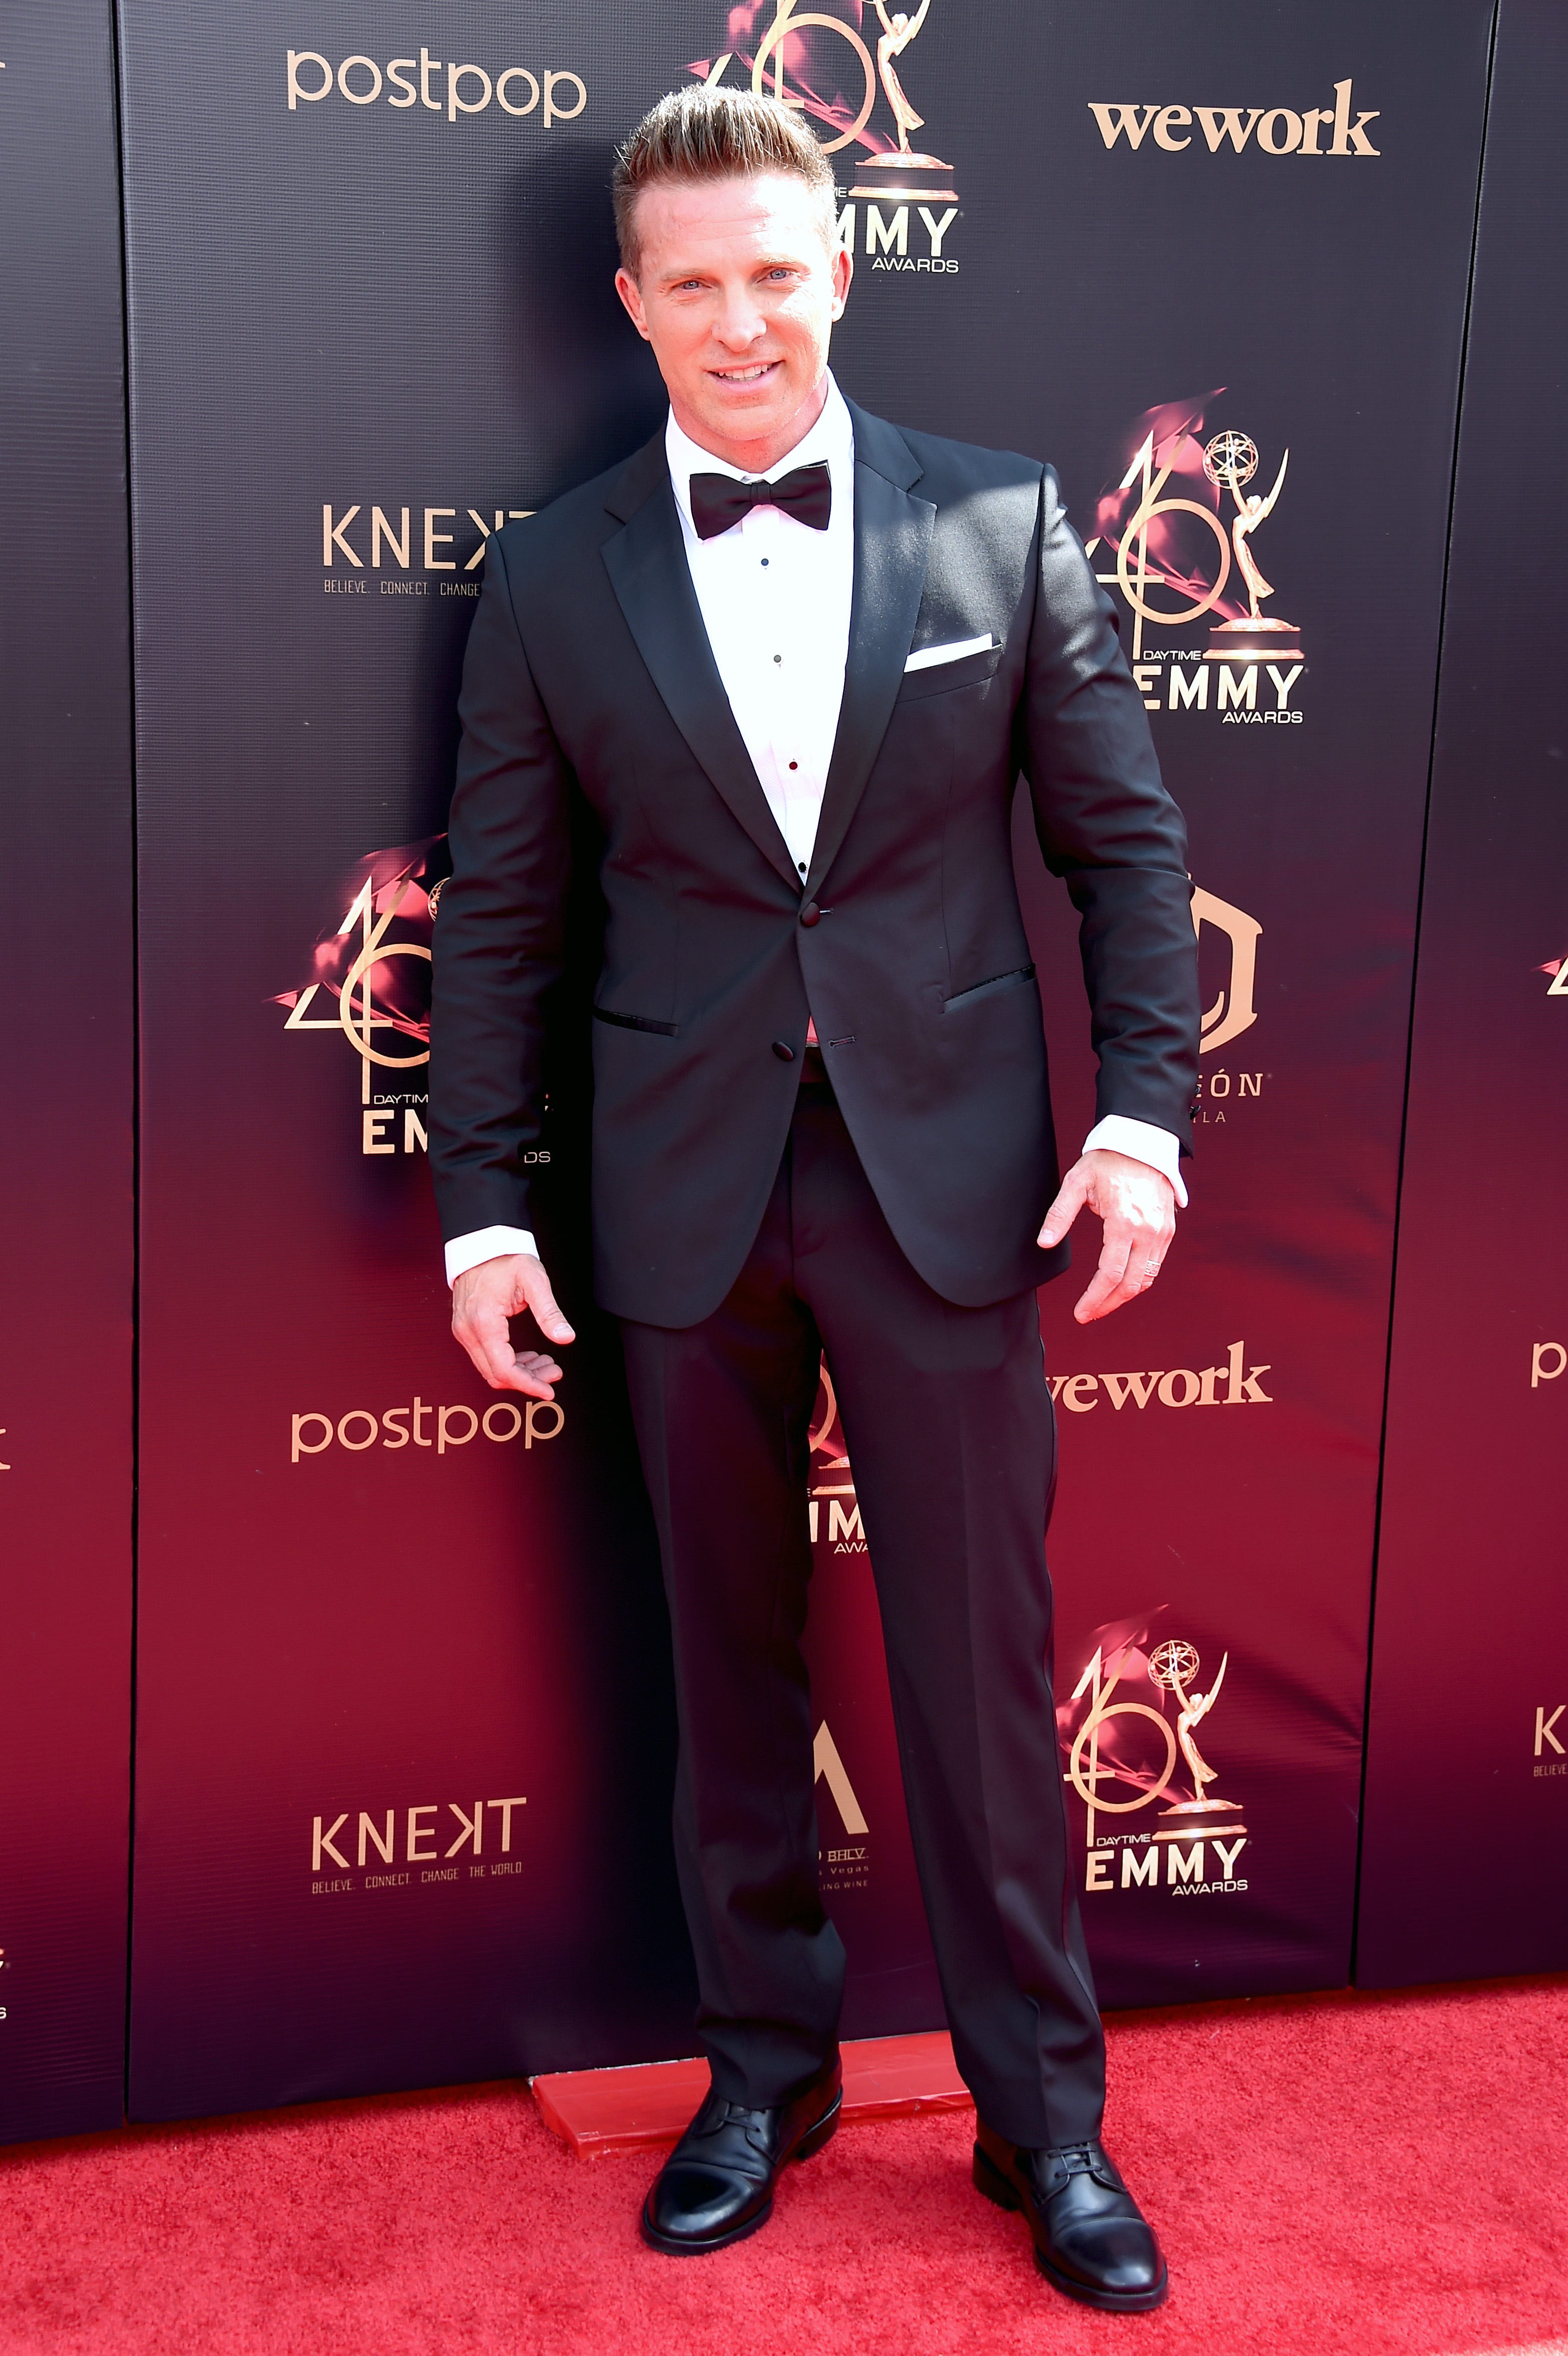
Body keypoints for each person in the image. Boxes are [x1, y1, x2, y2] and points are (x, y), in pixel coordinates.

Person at [429, 87, 1199, 2311]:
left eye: (778, 269)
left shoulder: (1009, 518)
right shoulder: (557, 570)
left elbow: (1125, 853)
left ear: (842, 266)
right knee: (723, 1664)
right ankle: (763, 2073)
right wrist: (487, 1211)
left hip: (952, 1183)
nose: (743, 317)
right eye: (696, 281)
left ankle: (1047, 2122)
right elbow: (496, 928)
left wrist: (1141, 1116)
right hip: (674, 1194)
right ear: (633, 302)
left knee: (980, 1669)